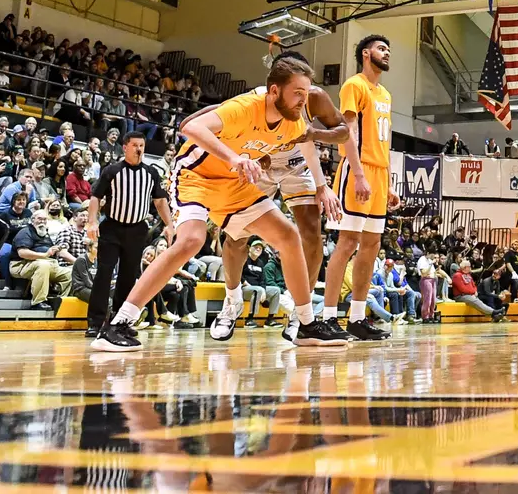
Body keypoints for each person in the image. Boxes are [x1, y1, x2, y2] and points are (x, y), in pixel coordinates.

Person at [91, 58, 347, 351]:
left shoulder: (293, 123)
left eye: (306, 93)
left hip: (233, 185)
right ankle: (119, 323)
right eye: (298, 92)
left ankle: (305, 324)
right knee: (191, 240)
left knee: (288, 236)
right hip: (196, 176)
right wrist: (234, 158)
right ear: (274, 91)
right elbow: (190, 126)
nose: (304, 100)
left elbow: (336, 135)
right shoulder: (244, 107)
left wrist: (311, 176)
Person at [320, 35, 400, 342]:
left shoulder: (386, 94)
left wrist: (388, 183)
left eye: (388, 49)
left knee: (372, 245)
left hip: (379, 174)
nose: (386, 52)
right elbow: (348, 132)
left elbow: (384, 141)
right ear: (366, 54)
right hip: (358, 169)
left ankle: (356, 318)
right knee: (348, 241)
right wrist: (358, 173)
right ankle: (328, 318)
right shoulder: (354, 85)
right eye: (382, 48)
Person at [85, 132, 170, 336]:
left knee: (128, 277)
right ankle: (95, 322)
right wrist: (91, 221)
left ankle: (120, 320)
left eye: (142, 145)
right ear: (125, 147)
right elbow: (96, 196)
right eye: (134, 145)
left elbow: (160, 201)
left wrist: (170, 224)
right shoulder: (112, 170)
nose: (139, 149)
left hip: (137, 230)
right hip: (112, 227)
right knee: (104, 274)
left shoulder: (151, 173)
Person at [12, 206, 72, 309]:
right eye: (39, 219)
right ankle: (38, 302)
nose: (42, 222)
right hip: (22, 264)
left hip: (49, 263)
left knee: (71, 272)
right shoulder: (25, 232)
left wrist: (55, 250)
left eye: (45, 219)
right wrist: (44, 255)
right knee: (43, 265)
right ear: (32, 220)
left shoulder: (46, 234)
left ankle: (61, 301)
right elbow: (22, 253)